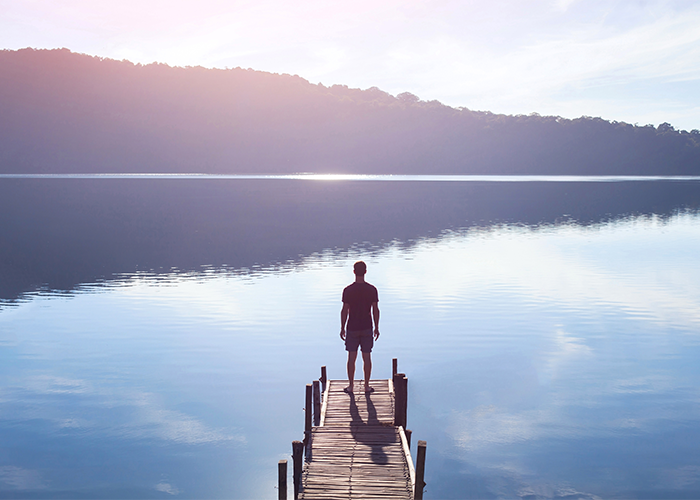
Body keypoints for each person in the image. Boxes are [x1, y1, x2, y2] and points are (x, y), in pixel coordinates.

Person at [340, 261, 380, 393]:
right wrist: (377, 327)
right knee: (367, 357)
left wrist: (342, 327)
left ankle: (351, 386)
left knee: (351, 358)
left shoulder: (348, 290)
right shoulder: (372, 290)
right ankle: (366, 386)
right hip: (367, 327)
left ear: (353, 272)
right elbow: (375, 310)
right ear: (366, 272)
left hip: (352, 328)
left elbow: (344, 310)